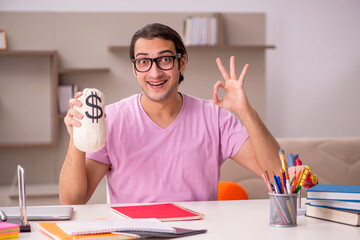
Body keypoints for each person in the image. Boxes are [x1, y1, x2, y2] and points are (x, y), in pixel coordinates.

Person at [59, 23, 281, 205]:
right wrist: (76, 138)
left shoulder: (215, 117)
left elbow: (278, 174)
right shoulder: (111, 119)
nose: (155, 73)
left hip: (200, 233)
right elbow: (72, 200)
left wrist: (246, 112)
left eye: (164, 59)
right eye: (144, 62)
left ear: (181, 62)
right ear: (135, 69)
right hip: (135, 235)